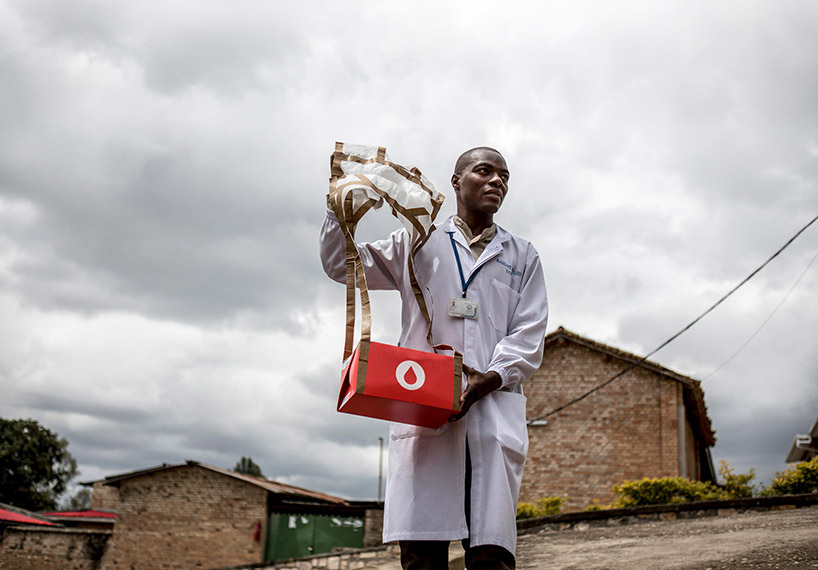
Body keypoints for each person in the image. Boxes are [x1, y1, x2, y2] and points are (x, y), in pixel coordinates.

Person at [320, 147, 548, 569]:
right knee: (421, 556)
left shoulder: (522, 256)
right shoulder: (416, 240)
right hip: (425, 412)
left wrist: (490, 378)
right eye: (485, 171)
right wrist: (338, 209)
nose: (497, 181)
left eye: (505, 176)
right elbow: (341, 264)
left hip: (492, 415)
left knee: (491, 556)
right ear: (456, 181)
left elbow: (529, 334)